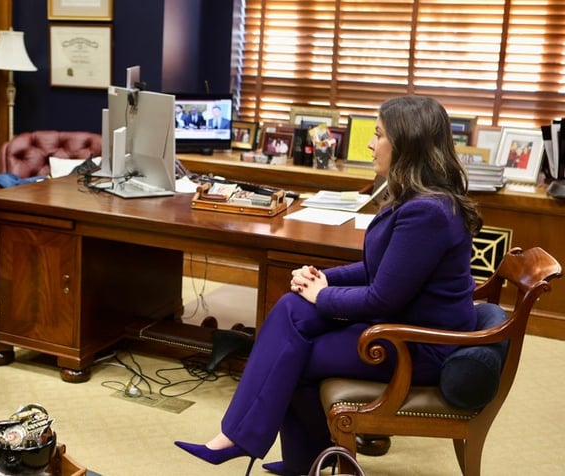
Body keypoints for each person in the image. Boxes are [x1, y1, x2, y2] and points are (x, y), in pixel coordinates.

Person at [174, 95, 482, 475]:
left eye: (379, 135)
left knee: (292, 355)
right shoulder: (417, 198)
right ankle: (264, 445)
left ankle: (279, 452)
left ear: (407, 144)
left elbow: (382, 298)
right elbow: (378, 269)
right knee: (292, 307)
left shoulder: (427, 212)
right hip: (399, 327)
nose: (370, 144)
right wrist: (322, 277)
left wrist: (322, 294)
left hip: (417, 345)